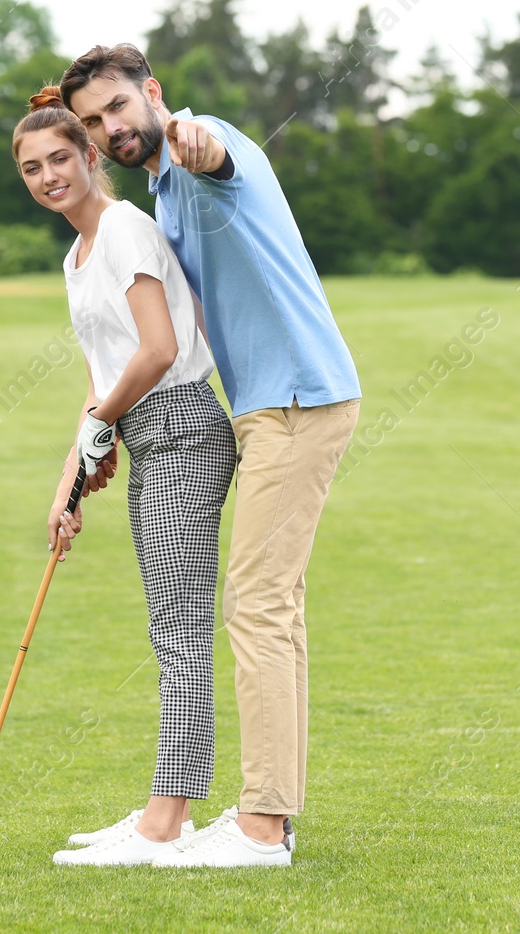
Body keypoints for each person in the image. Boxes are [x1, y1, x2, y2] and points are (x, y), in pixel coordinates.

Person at [62, 45, 361, 868]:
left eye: (120, 107)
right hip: (269, 404)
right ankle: (264, 813)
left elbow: (210, 148)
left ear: (152, 95)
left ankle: (263, 829)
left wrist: (194, 138)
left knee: (256, 605)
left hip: (298, 395)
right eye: (92, 121)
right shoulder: (159, 194)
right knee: (276, 609)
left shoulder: (202, 149)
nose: (110, 128)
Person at [10, 86, 237, 867]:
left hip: (182, 427)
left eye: (60, 159)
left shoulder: (125, 230)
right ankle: (162, 815)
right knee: (167, 628)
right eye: (32, 168)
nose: (47, 177)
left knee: (178, 632)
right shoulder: (76, 258)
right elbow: (100, 379)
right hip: (146, 432)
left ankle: (164, 823)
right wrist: (69, 481)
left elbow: (158, 349)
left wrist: (104, 424)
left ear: (90, 157)